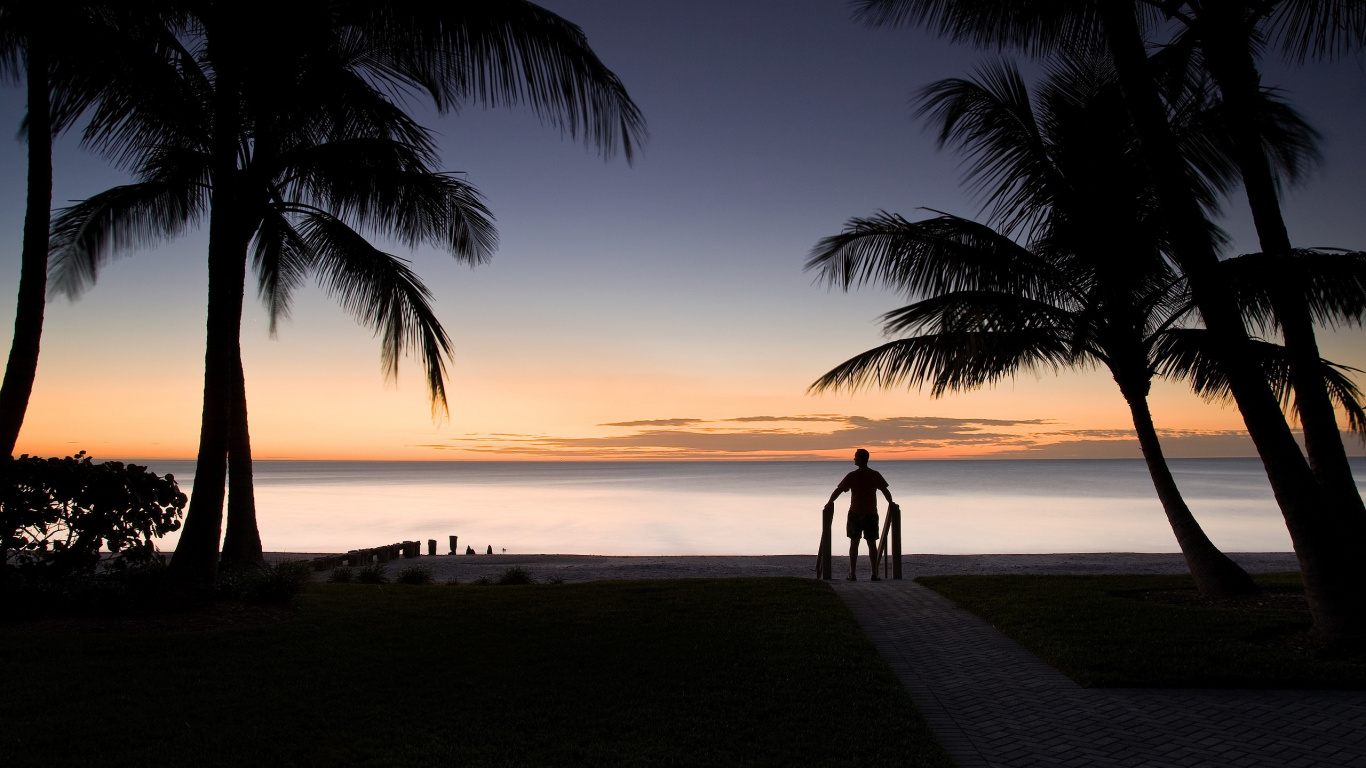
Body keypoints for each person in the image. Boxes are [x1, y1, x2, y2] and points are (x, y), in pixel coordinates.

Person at [826, 448, 893, 581]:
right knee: (871, 544)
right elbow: (885, 491)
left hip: (857, 513)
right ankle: (873, 573)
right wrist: (891, 502)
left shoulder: (853, 475)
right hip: (869, 513)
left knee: (855, 543)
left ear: (861, 459)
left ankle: (854, 573)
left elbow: (839, 490)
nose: (854, 459)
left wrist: (830, 502)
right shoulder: (873, 474)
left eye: (855, 457)